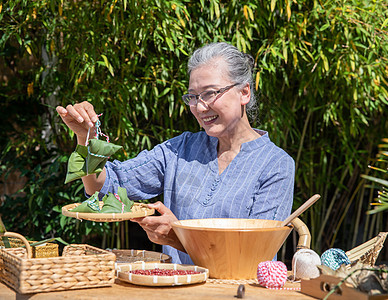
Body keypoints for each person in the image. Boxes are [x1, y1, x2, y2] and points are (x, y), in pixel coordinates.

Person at [56, 42, 295, 264]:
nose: (200, 107)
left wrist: (177, 238)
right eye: (193, 97)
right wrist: (87, 138)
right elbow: (102, 187)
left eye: (210, 93)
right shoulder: (179, 150)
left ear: (244, 92)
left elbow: (253, 257)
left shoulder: (275, 165)